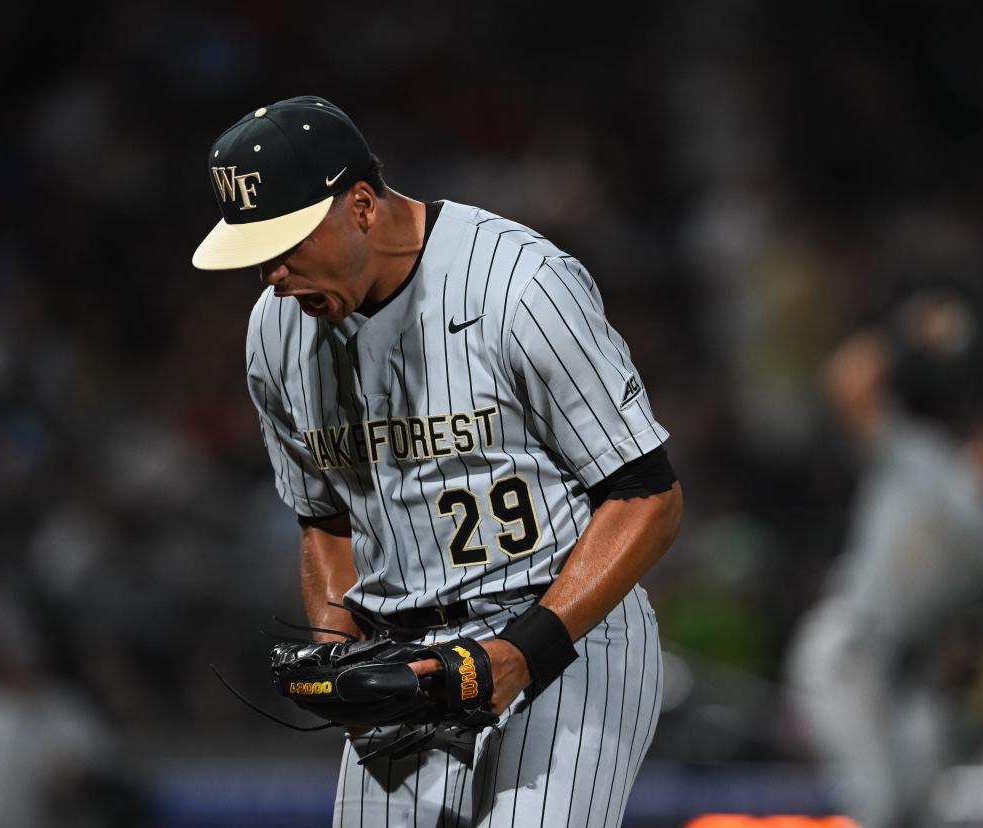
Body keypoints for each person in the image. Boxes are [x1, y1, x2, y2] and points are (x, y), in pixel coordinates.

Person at [191, 96, 683, 827]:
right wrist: (337, 658)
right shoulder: (275, 334)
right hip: (405, 658)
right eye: (257, 252)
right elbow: (325, 524)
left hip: (564, 631)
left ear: (360, 205)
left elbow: (648, 496)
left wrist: (522, 652)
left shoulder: (518, 284)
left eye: (286, 242)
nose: (271, 272)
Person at [785, 294, 983, 828]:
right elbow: (845, 382)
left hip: (921, 681)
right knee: (878, 804)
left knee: (923, 812)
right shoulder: (923, 462)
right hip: (851, 653)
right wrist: (904, 331)